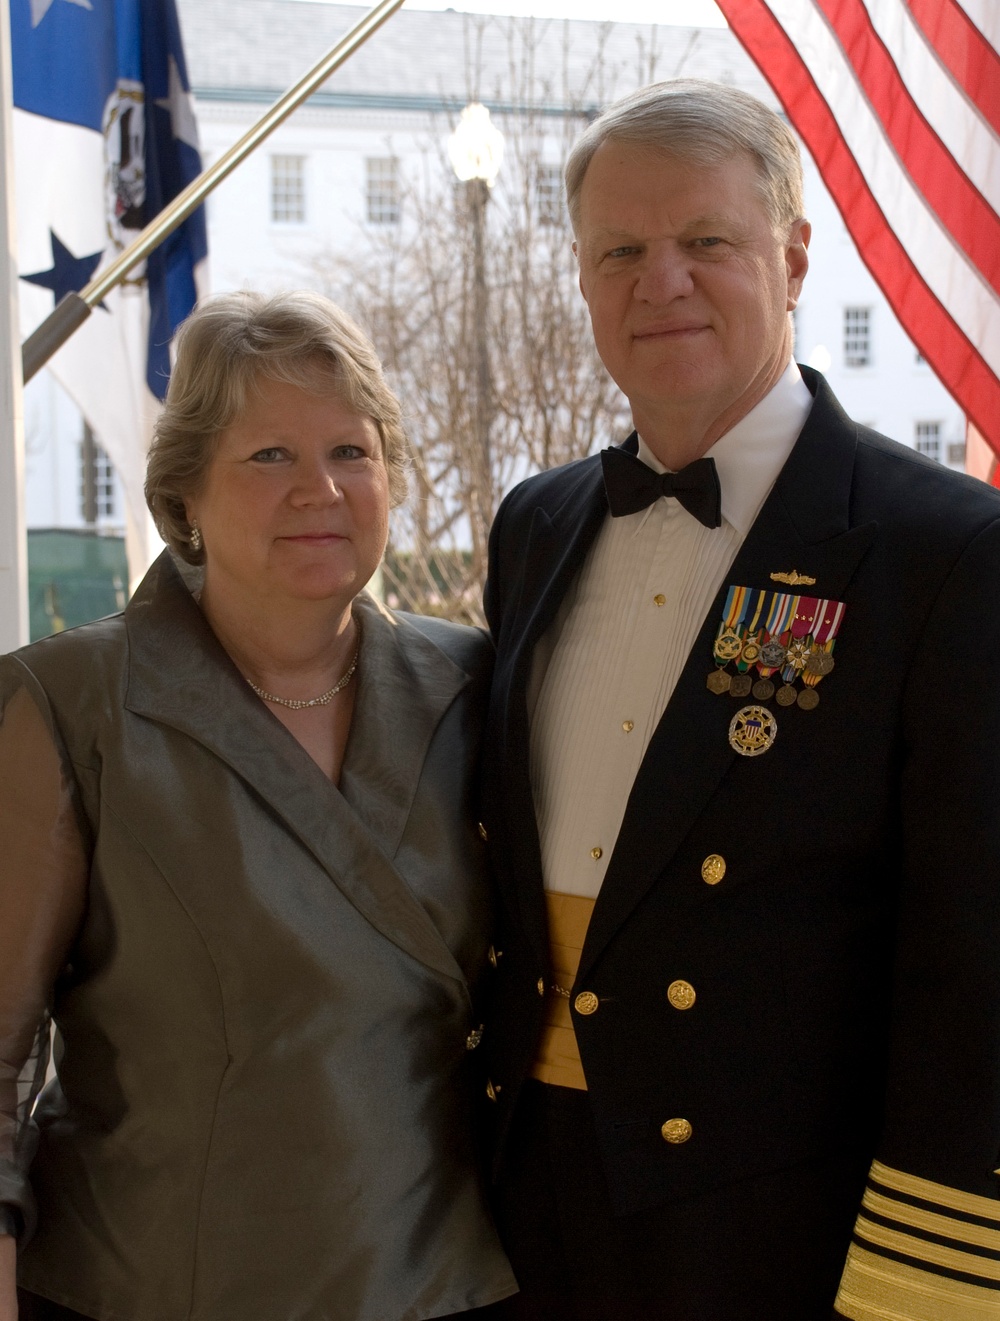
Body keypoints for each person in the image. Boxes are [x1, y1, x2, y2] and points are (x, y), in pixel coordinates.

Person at [479, 78, 1000, 1321]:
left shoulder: (944, 551)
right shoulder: (535, 523)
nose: (660, 281)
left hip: (780, 1222)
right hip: (519, 1190)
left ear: (793, 255)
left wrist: (920, 1280)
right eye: (620, 251)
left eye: (704, 241)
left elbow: (974, 960)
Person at [0, 290, 516, 1321]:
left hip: (448, 1283)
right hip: (158, 1289)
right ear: (183, 495)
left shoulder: (474, 685)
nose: (319, 489)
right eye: (268, 456)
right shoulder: (69, 705)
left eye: (351, 452)